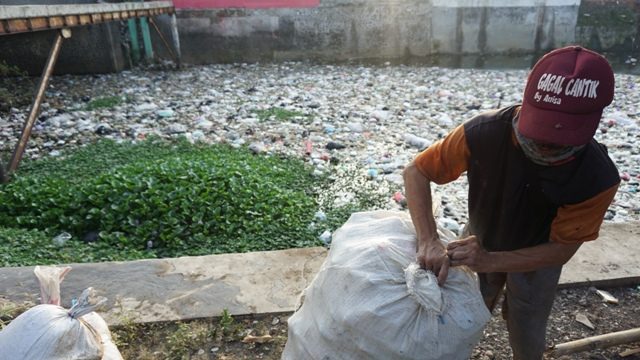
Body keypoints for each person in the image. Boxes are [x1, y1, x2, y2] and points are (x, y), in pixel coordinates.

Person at [402, 45, 620, 359]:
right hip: (478, 238)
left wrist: (491, 261)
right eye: (540, 134)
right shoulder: (482, 133)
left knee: (528, 324)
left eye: (560, 140)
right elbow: (417, 171)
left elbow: (562, 249)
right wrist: (428, 239)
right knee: (459, 312)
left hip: (537, 258)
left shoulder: (597, 178)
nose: (546, 147)